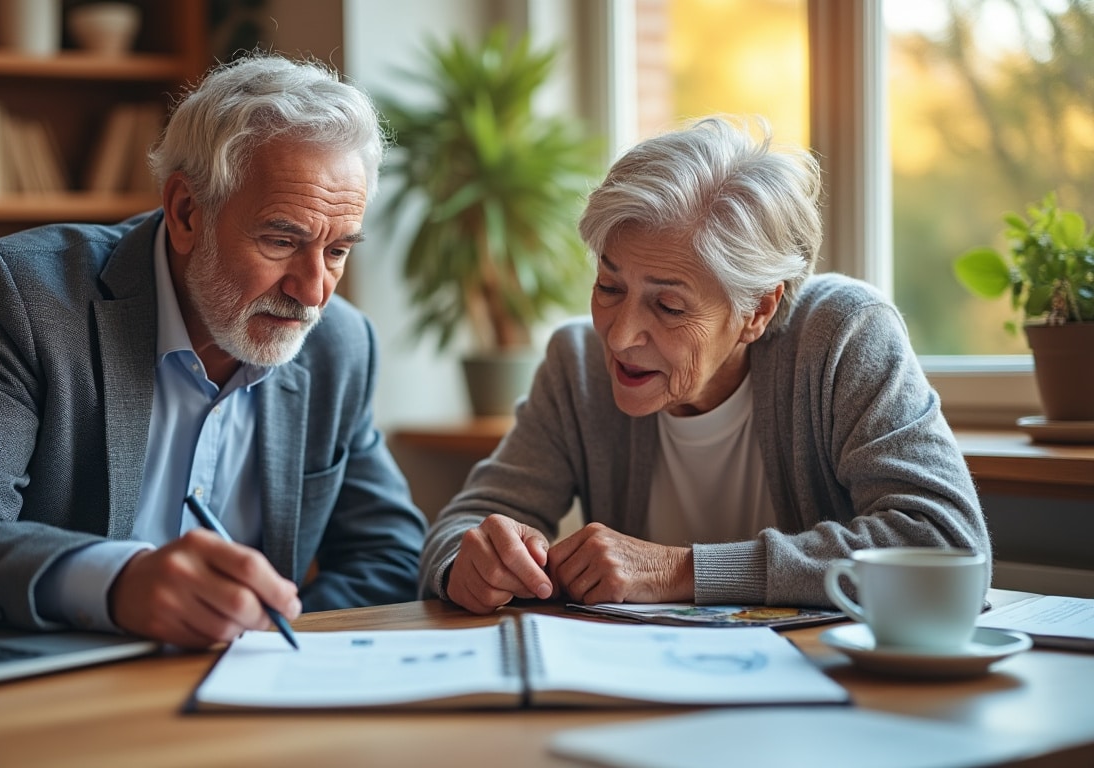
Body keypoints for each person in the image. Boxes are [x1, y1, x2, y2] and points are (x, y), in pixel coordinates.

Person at [0, 54, 427, 649]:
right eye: (280, 240)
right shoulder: (29, 299)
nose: (313, 291)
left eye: (338, 251)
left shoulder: (341, 344)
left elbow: (389, 555)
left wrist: (270, 638)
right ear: (187, 212)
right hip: (70, 684)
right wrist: (117, 582)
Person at [420, 115, 988, 614]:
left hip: (824, 684)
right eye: (609, 287)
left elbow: (946, 546)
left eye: (668, 306)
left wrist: (681, 570)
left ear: (757, 311)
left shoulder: (843, 335)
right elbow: (464, 525)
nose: (619, 336)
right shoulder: (578, 364)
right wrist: (470, 564)